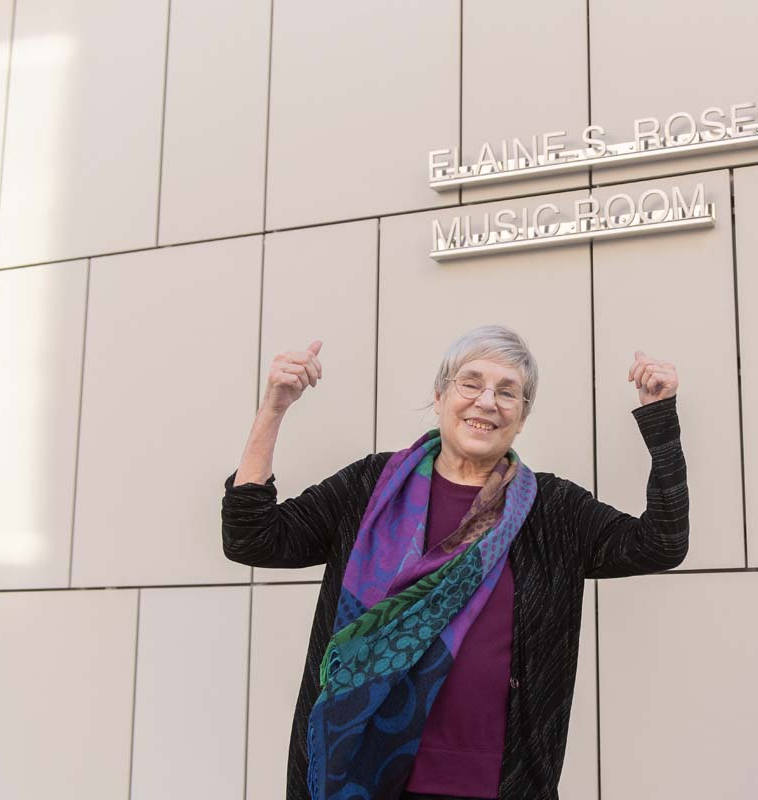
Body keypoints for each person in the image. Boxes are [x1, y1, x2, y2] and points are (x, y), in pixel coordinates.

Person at [221, 324, 689, 800]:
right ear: (441, 395)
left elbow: (659, 544)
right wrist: (273, 407)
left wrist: (660, 420)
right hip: (359, 774)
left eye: (509, 393)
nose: (487, 401)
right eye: (471, 383)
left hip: (496, 783)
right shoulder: (370, 488)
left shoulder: (552, 510)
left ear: (521, 418)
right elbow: (252, 538)